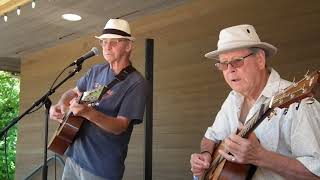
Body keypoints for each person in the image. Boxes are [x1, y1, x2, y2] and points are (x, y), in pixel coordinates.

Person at [190, 24, 320, 179]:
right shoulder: (233, 98)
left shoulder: (299, 104)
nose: (230, 69)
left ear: (259, 60)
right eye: (223, 64)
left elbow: (316, 173)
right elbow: (210, 137)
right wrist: (205, 155)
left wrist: (260, 157)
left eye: (237, 61)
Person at [50, 18, 147, 180]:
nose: (107, 47)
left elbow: (120, 126)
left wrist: (88, 113)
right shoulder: (96, 70)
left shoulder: (136, 83)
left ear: (128, 46)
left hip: (100, 167)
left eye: (114, 42)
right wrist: (61, 104)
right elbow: (73, 93)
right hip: (74, 158)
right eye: (103, 42)